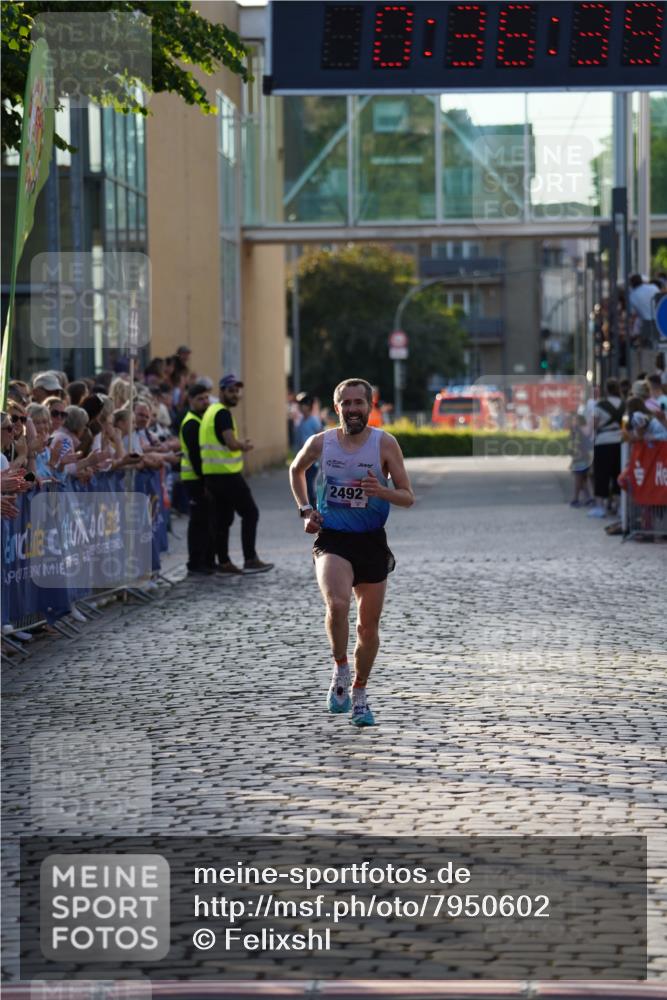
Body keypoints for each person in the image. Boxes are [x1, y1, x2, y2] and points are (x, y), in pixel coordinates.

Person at [289, 377, 414, 727]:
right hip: (334, 538)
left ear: (370, 407)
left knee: (368, 629)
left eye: (360, 403)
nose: (353, 409)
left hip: (372, 540)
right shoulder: (321, 442)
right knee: (338, 604)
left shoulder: (384, 444)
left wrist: (381, 491)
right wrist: (304, 509)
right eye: (347, 402)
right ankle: (341, 668)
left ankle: (360, 692)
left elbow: (408, 496)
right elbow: (296, 469)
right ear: (337, 406)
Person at [199, 374, 273, 575]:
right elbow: (230, 442)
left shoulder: (210, 411)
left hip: (212, 476)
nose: (236, 395)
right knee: (250, 512)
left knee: (224, 519)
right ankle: (250, 559)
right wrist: (244, 446)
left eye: (237, 391)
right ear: (221, 391)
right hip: (227, 475)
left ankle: (223, 562)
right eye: (231, 390)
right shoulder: (222, 413)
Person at [179, 382, 215, 577]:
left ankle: (208, 560)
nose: (205, 401)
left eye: (206, 397)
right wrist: (205, 481)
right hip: (194, 479)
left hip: (200, 478)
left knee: (207, 520)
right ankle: (195, 562)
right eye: (200, 399)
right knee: (198, 522)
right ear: (191, 400)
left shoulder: (201, 420)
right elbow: (195, 456)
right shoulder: (191, 422)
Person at [588, 378, 624, 519]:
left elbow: (594, 425)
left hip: (603, 442)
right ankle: (620, 506)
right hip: (620, 442)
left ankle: (600, 506)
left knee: (602, 474)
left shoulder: (600, 405)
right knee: (618, 474)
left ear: (606, 389)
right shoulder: (624, 404)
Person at [293, 392, 323, 507]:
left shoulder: (313, 420)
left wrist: (319, 455)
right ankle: (308, 506)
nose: (300, 407)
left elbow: (320, 435)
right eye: (299, 404)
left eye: (303, 404)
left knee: (309, 484)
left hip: (312, 459)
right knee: (304, 482)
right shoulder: (301, 421)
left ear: (309, 405)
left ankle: (314, 508)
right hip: (303, 457)